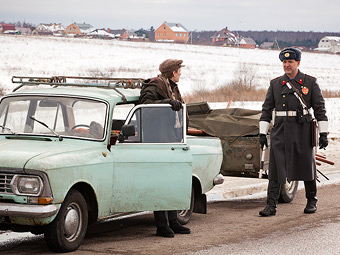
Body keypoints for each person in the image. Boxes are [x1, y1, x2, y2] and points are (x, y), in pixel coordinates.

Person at [259, 47, 328, 217]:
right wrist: (262, 133)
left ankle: (312, 201)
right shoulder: (275, 84)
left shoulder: (309, 82)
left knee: (307, 165)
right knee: (275, 168)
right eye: (284, 62)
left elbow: (320, 110)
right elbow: (266, 110)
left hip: (302, 130)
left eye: (290, 62)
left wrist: (323, 134)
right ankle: (271, 205)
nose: (287, 65)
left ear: (298, 63)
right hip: (280, 130)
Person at [139, 59, 191, 237]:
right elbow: (144, 107)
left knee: (173, 181)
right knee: (160, 182)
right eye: (178, 70)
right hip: (157, 141)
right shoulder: (154, 86)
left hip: (172, 140)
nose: (180, 73)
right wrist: (167, 103)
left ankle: (173, 221)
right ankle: (162, 225)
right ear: (172, 72)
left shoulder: (171, 86)